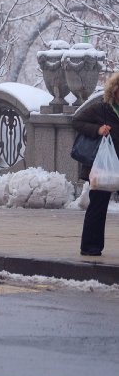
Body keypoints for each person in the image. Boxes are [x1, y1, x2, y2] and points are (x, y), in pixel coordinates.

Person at [71, 70, 119, 258]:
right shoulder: (101, 109)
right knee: (98, 206)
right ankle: (90, 247)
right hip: (103, 165)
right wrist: (97, 129)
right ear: (114, 91)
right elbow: (77, 121)